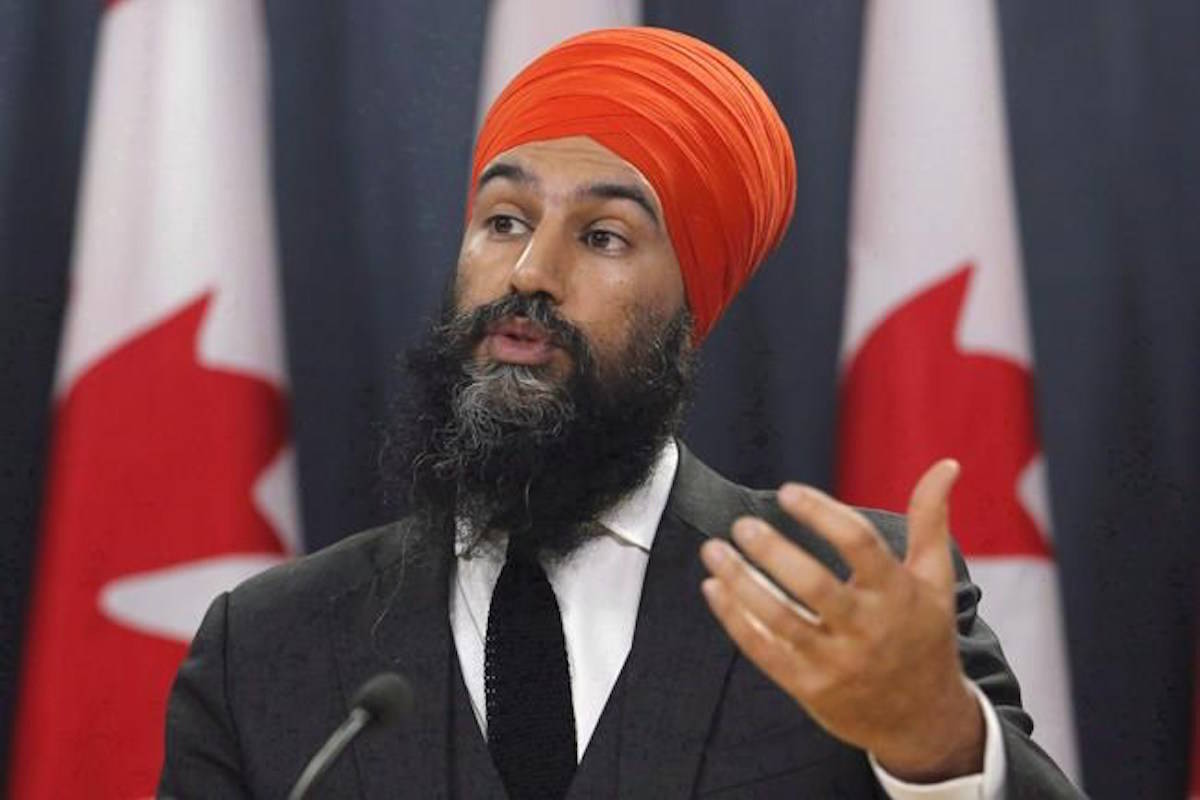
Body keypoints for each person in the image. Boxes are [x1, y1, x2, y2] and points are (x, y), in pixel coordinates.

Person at [160, 27, 1080, 799]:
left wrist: (938, 744)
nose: (529, 274)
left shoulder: (843, 595)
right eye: (504, 221)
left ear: (692, 306)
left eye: (602, 236)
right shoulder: (267, 644)